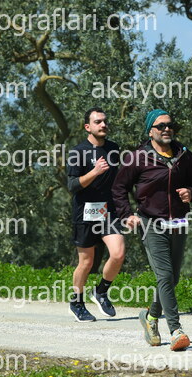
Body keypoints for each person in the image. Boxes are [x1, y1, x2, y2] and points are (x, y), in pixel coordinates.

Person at [112, 109, 192, 351]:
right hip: (150, 222)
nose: (167, 129)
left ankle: (151, 317)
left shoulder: (184, 155)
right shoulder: (138, 157)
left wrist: (191, 193)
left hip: (178, 222)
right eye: (161, 125)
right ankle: (176, 330)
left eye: (170, 125)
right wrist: (127, 214)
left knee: (172, 278)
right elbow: (119, 188)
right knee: (164, 276)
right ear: (150, 131)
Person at [67, 107, 125, 322]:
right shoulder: (78, 152)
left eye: (105, 121)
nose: (103, 125)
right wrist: (94, 172)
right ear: (87, 127)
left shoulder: (113, 148)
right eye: (98, 122)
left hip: (108, 210)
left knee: (118, 253)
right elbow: (72, 185)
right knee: (86, 262)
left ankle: (101, 291)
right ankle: (77, 303)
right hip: (85, 212)